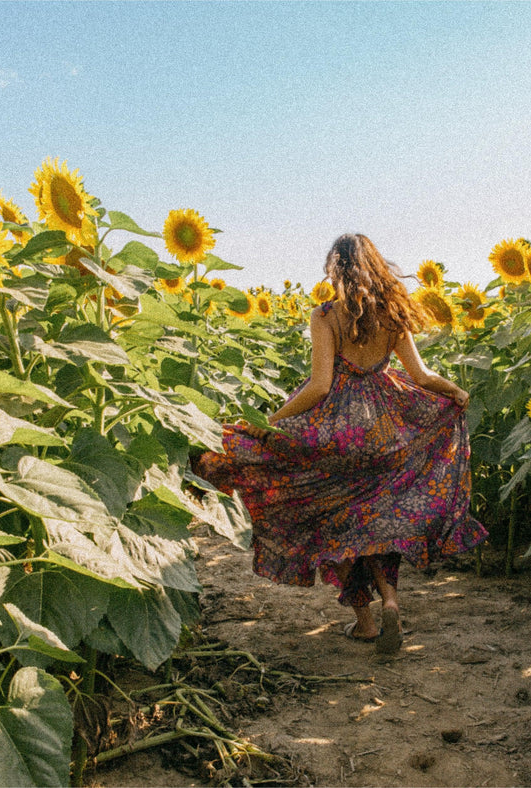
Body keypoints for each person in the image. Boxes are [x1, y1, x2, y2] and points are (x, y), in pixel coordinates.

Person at [195, 233, 487, 654]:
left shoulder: (326, 316)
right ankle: (389, 601)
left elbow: (318, 386)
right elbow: (422, 377)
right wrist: (455, 392)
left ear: (336, 269)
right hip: (388, 431)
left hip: (337, 432)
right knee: (375, 523)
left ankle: (365, 621)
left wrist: (271, 424)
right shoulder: (392, 315)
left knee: (331, 521)